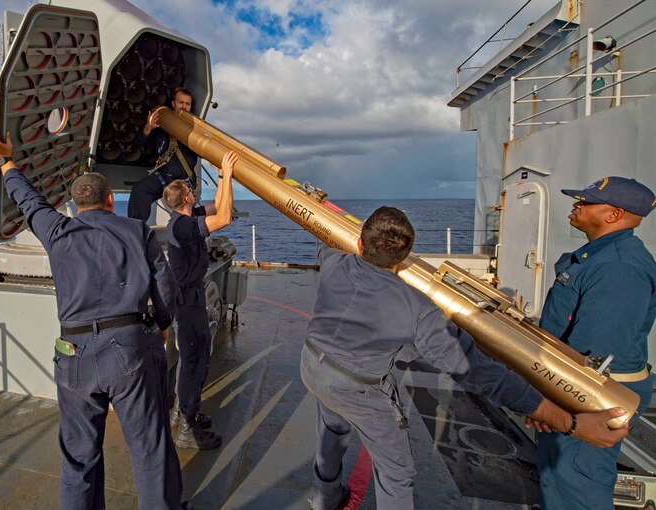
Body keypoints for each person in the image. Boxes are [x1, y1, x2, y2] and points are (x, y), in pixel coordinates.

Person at [299, 206, 630, 510]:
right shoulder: (419, 310)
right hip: (359, 390)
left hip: (313, 366)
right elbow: (480, 373)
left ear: (359, 243)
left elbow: (325, 243)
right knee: (396, 472)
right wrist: (568, 422)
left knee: (332, 431)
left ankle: (324, 498)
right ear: (406, 256)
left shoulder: (332, 262)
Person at [0, 134, 186, 510]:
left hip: (74, 353)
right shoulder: (137, 231)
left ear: (75, 207)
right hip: (130, 348)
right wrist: (162, 323)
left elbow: (28, 201)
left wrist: (4, 161)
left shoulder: (57, 230)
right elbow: (164, 285)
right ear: (111, 200)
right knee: (150, 448)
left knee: (79, 459)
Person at [536, 176, 656, 510]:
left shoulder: (618, 268)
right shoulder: (602, 257)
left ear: (614, 215)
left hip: (590, 398)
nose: (576, 206)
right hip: (578, 388)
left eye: (586, 202)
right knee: (559, 481)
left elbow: (597, 358)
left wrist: (555, 408)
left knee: (575, 488)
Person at [161, 151, 238, 450]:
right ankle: (188, 431)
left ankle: (183, 412)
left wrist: (221, 175)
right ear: (187, 198)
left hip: (190, 299)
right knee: (193, 360)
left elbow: (219, 205)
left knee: (196, 356)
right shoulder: (181, 226)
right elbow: (226, 217)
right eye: (191, 190)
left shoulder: (186, 217)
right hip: (186, 303)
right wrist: (229, 176)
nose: (195, 193)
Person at [128, 87, 202, 222]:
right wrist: (148, 128)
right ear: (173, 104)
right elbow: (140, 142)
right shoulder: (163, 126)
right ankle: (136, 231)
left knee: (184, 217)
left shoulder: (195, 128)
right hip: (163, 178)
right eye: (181, 103)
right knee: (140, 191)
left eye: (187, 104)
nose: (184, 107)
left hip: (183, 182)